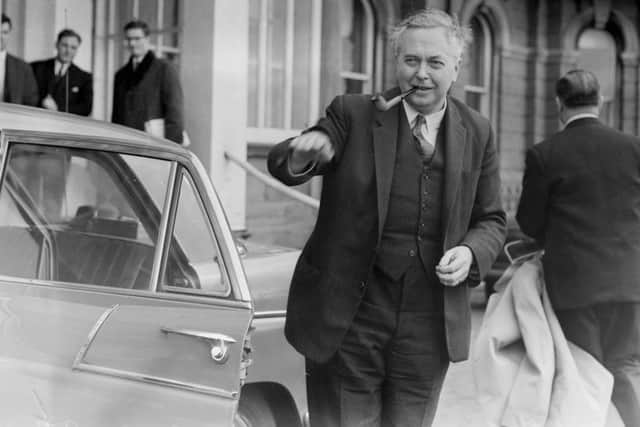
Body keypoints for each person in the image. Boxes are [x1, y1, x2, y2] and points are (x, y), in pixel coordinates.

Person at [268, 9, 506, 427]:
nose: (421, 74)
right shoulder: (353, 114)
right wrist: (303, 152)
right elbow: (294, 156)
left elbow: (491, 220)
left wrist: (471, 252)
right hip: (350, 323)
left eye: (435, 63)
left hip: (427, 331)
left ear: (456, 67)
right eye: (410, 60)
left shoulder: (478, 131)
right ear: (395, 61)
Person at [516, 69, 640, 427]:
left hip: (574, 288)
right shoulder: (633, 148)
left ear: (559, 104)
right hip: (629, 282)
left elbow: (529, 222)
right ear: (600, 100)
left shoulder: (545, 154)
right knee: (626, 366)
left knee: (584, 374)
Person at [111, 19, 184, 144]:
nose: (132, 43)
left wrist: (171, 149)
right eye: (129, 39)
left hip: (154, 145)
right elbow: (116, 118)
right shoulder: (120, 75)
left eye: (137, 38)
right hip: (126, 145)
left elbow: (175, 114)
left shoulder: (164, 68)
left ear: (147, 39)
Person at [31, 28, 93, 116]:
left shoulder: (84, 77)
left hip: (65, 127)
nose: (68, 51)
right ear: (56, 45)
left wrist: (58, 108)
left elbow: (86, 108)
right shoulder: (36, 68)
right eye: (64, 45)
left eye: (73, 47)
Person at [0, 13, 38, 106]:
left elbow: (31, 101)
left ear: (9, 34)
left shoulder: (23, 67)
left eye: (4, 32)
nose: (0, 37)